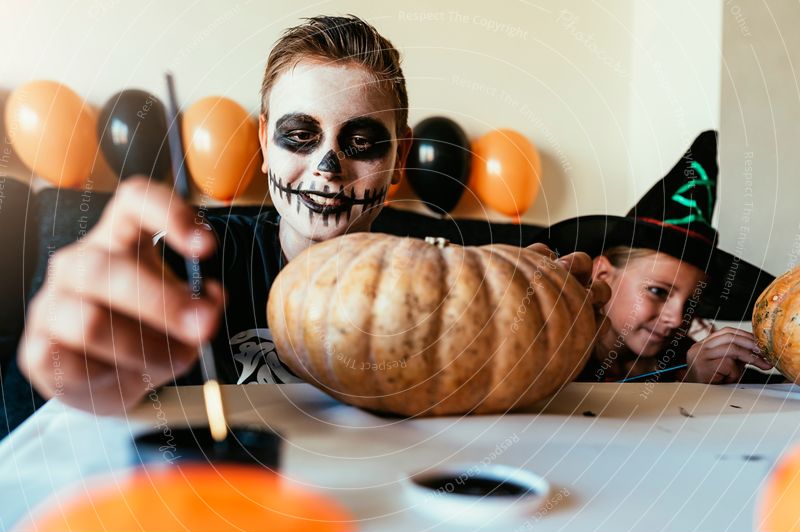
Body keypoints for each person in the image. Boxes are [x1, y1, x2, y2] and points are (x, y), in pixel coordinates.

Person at [17, 14, 608, 415]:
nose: (327, 168)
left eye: (361, 143)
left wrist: (569, 332)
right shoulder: (187, 257)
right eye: (299, 135)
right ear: (263, 144)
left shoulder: (442, 279)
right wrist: (68, 360)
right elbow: (87, 387)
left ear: (399, 160)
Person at [536, 130, 776, 384]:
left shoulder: (685, 359)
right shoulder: (548, 350)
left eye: (692, 303)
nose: (676, 318)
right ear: (602, 275)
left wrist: (697, 384)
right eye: (658, 291)